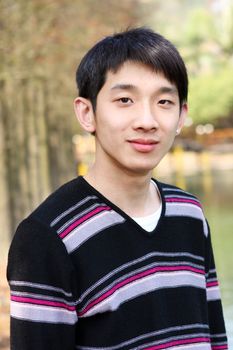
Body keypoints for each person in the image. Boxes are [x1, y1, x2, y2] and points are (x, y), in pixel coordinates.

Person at [7, 27, 228, 349]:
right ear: (87, 113)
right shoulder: (48, 237)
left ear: (181, 116)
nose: (147, 120)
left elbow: (215, 336)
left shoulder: (189, 213)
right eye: (125, 100)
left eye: (164, 101)